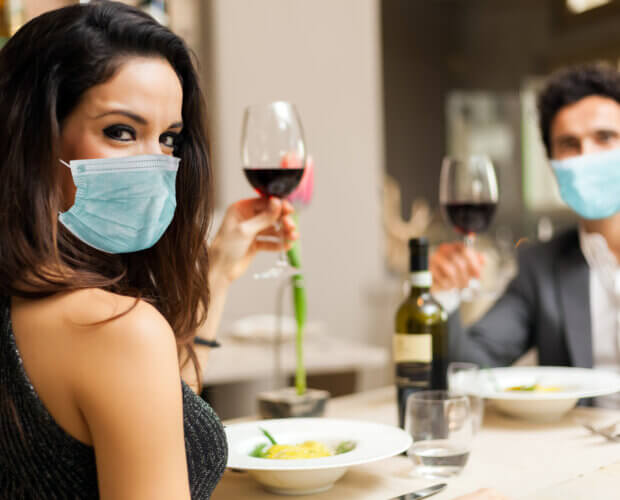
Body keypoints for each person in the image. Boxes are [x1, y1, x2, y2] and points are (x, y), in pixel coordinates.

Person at [0, 2, 297, 498]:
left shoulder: (39, 310)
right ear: (33, 139)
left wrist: (218, 272)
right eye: (120, 131)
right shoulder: (115, 331)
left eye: (167, 139)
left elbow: (149, 412)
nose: (155, 164)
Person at [431, 63, 620, 399]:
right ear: (553, 165)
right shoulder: (541, 267)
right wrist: (444, 297)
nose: (587, 155)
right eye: (569, 144)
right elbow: (472, 371)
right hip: (577, 445)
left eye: (605, 137)